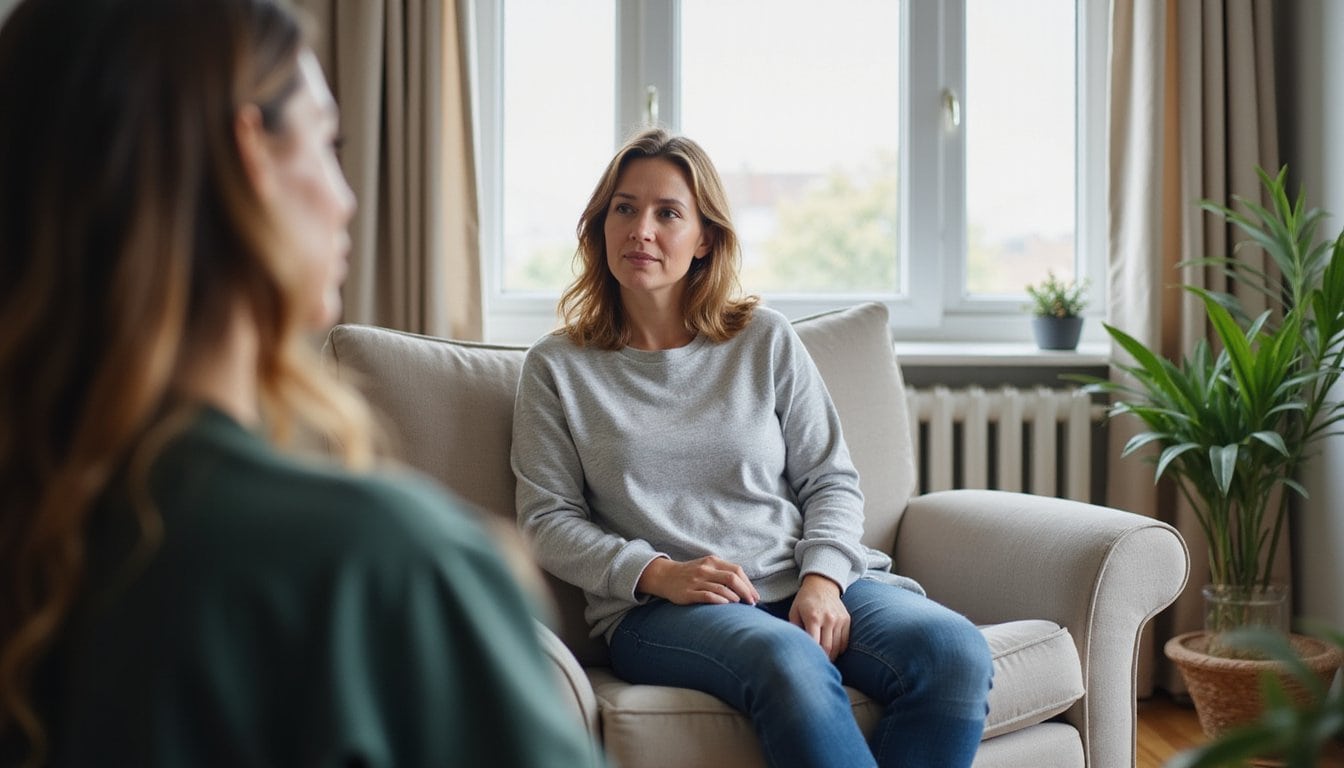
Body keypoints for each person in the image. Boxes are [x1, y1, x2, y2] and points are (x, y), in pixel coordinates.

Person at [0, 1, 600, 766]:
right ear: (246, 161)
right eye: (326, 142)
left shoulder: (42, 540)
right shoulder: (387, 570)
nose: (348, 198)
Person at [512, 127, 993, 768]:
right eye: (623, 208)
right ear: (600, 226)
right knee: (787, 657)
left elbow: (831, 480)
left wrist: (823, 579)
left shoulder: (763, 339)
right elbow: (546, 520)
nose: (641, 230)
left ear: (705, 237)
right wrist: (658, 572)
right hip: (660, 611)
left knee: (953, 653)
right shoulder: (557, 366)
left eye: (668, 213)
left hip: (804, 577)